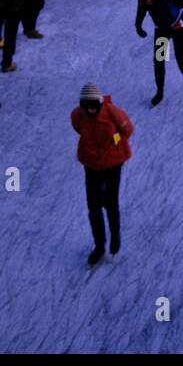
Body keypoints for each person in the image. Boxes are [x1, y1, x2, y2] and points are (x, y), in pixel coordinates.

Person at [71, 82, 133, 265]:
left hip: (113, 162)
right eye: (86, 106)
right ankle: (99, 245)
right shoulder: (78, 115)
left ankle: (115, 233)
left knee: (110, 201)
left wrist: (113, 142)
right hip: (91, 164)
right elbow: (77, 127)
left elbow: (127, 130)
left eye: (93, 106)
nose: (90, 110)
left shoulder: (113, 112)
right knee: (93, 205)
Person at [135, 0, 183, 107]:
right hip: (162, 30)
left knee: (179, 54)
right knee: (159, 60)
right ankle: (160, 91)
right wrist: (138, 26)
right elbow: (140, 12)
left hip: (177, 25)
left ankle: (181, 60)